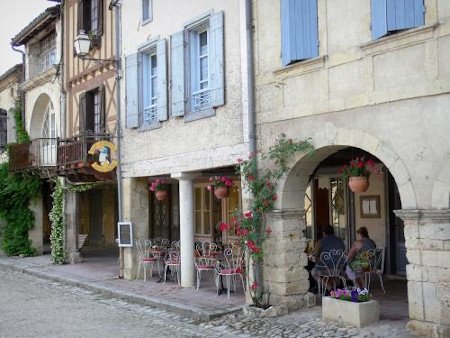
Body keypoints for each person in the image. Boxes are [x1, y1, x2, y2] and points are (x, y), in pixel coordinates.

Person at [310, 225, 345, 293]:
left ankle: (329, 287)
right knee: (330, 272)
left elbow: (315, 254)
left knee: (314, 272)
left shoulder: (321, 241)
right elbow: (342, 252)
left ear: (324, 232)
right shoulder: (340, 240)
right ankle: (333, 287)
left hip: (326, 269)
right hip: (340, 269)